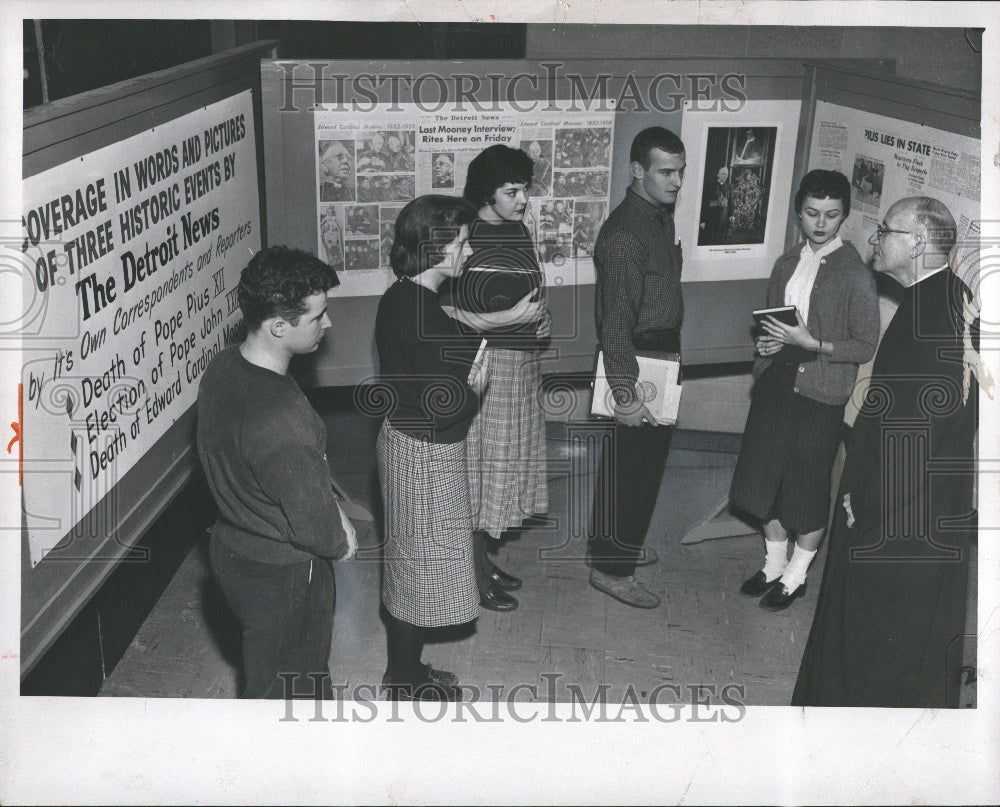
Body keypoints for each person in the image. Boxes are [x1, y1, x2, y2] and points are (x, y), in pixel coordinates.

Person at [793, 197, 978, 707]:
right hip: (922, 510)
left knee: (873, 649)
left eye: (885, 231)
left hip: (897, 517)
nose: (875, 240)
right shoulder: (945, 297)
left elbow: (913, 437)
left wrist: (864, 504)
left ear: (917, 243)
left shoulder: (929, 318)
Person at [375, 195, 543, 700]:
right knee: (420, 570)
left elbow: (439, 339)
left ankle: (407, 669)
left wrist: (480, 336)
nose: (468, 252)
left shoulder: (406, 296)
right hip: (424, 451)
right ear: (435, 247)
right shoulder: (419, 308)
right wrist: (475, 386)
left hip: (410, 444)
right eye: (462, 242)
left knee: (415, 563)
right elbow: (444, 405)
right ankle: (403, 681)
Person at [196, 246, 358, 699]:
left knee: (273, 671)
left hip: (233, 551)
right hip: (284, 571)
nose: (328, 324)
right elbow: (314, 526)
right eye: (318, 316)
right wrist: (341, 539)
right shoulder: (280, 413)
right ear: (279, 326)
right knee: (289, 689)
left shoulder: (224, 366)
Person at [729, 170, 879, 611]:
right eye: (812, 213)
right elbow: (771, 324)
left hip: (821, 392)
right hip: (778, 383)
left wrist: (812, 344)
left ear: (844, 217)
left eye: (832, 215)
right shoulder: (786, 261)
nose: (820, 223)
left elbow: (865, 344)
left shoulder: (855, 274)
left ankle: (796, 576)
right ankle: (773, 565)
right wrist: (767, 344)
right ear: (799, 212)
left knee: (807, 490)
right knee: (765, 481)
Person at [446, 144, 551, 612]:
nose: (523, 199)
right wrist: (510, 318)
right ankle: (471, 572)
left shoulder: (517, 229)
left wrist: (539, 320)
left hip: (522, 364)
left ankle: (483, 560)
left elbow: (526, 291)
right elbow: (445, 312)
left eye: (524, 189)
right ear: (486, 194)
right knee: (483, 472)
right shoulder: (463, 236)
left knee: (502, 470)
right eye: (512, 191)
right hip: (489, 366)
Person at [587, 126, 686, 609]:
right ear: (637, 171)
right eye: (666, 172)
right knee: (630, 470)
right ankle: (611, 570)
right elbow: (615, 322)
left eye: (680, 172)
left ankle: (615, 549)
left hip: (661, 354)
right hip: (637, 357)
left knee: (640, 469)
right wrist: (624, 394)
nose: (676, 182)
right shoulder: (626, 234)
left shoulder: (657, 217)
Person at [701, 166, 731, 244]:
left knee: (721, 241)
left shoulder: (729, 187)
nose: (725, 176)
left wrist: (732, 215)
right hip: (711, 219)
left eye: (726, 174)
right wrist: (702, 221)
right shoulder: (710, 186)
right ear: (718, 174)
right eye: (723, 174)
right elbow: (703, 204)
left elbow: (732, 203)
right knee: (710, 241)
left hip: (723, 220)